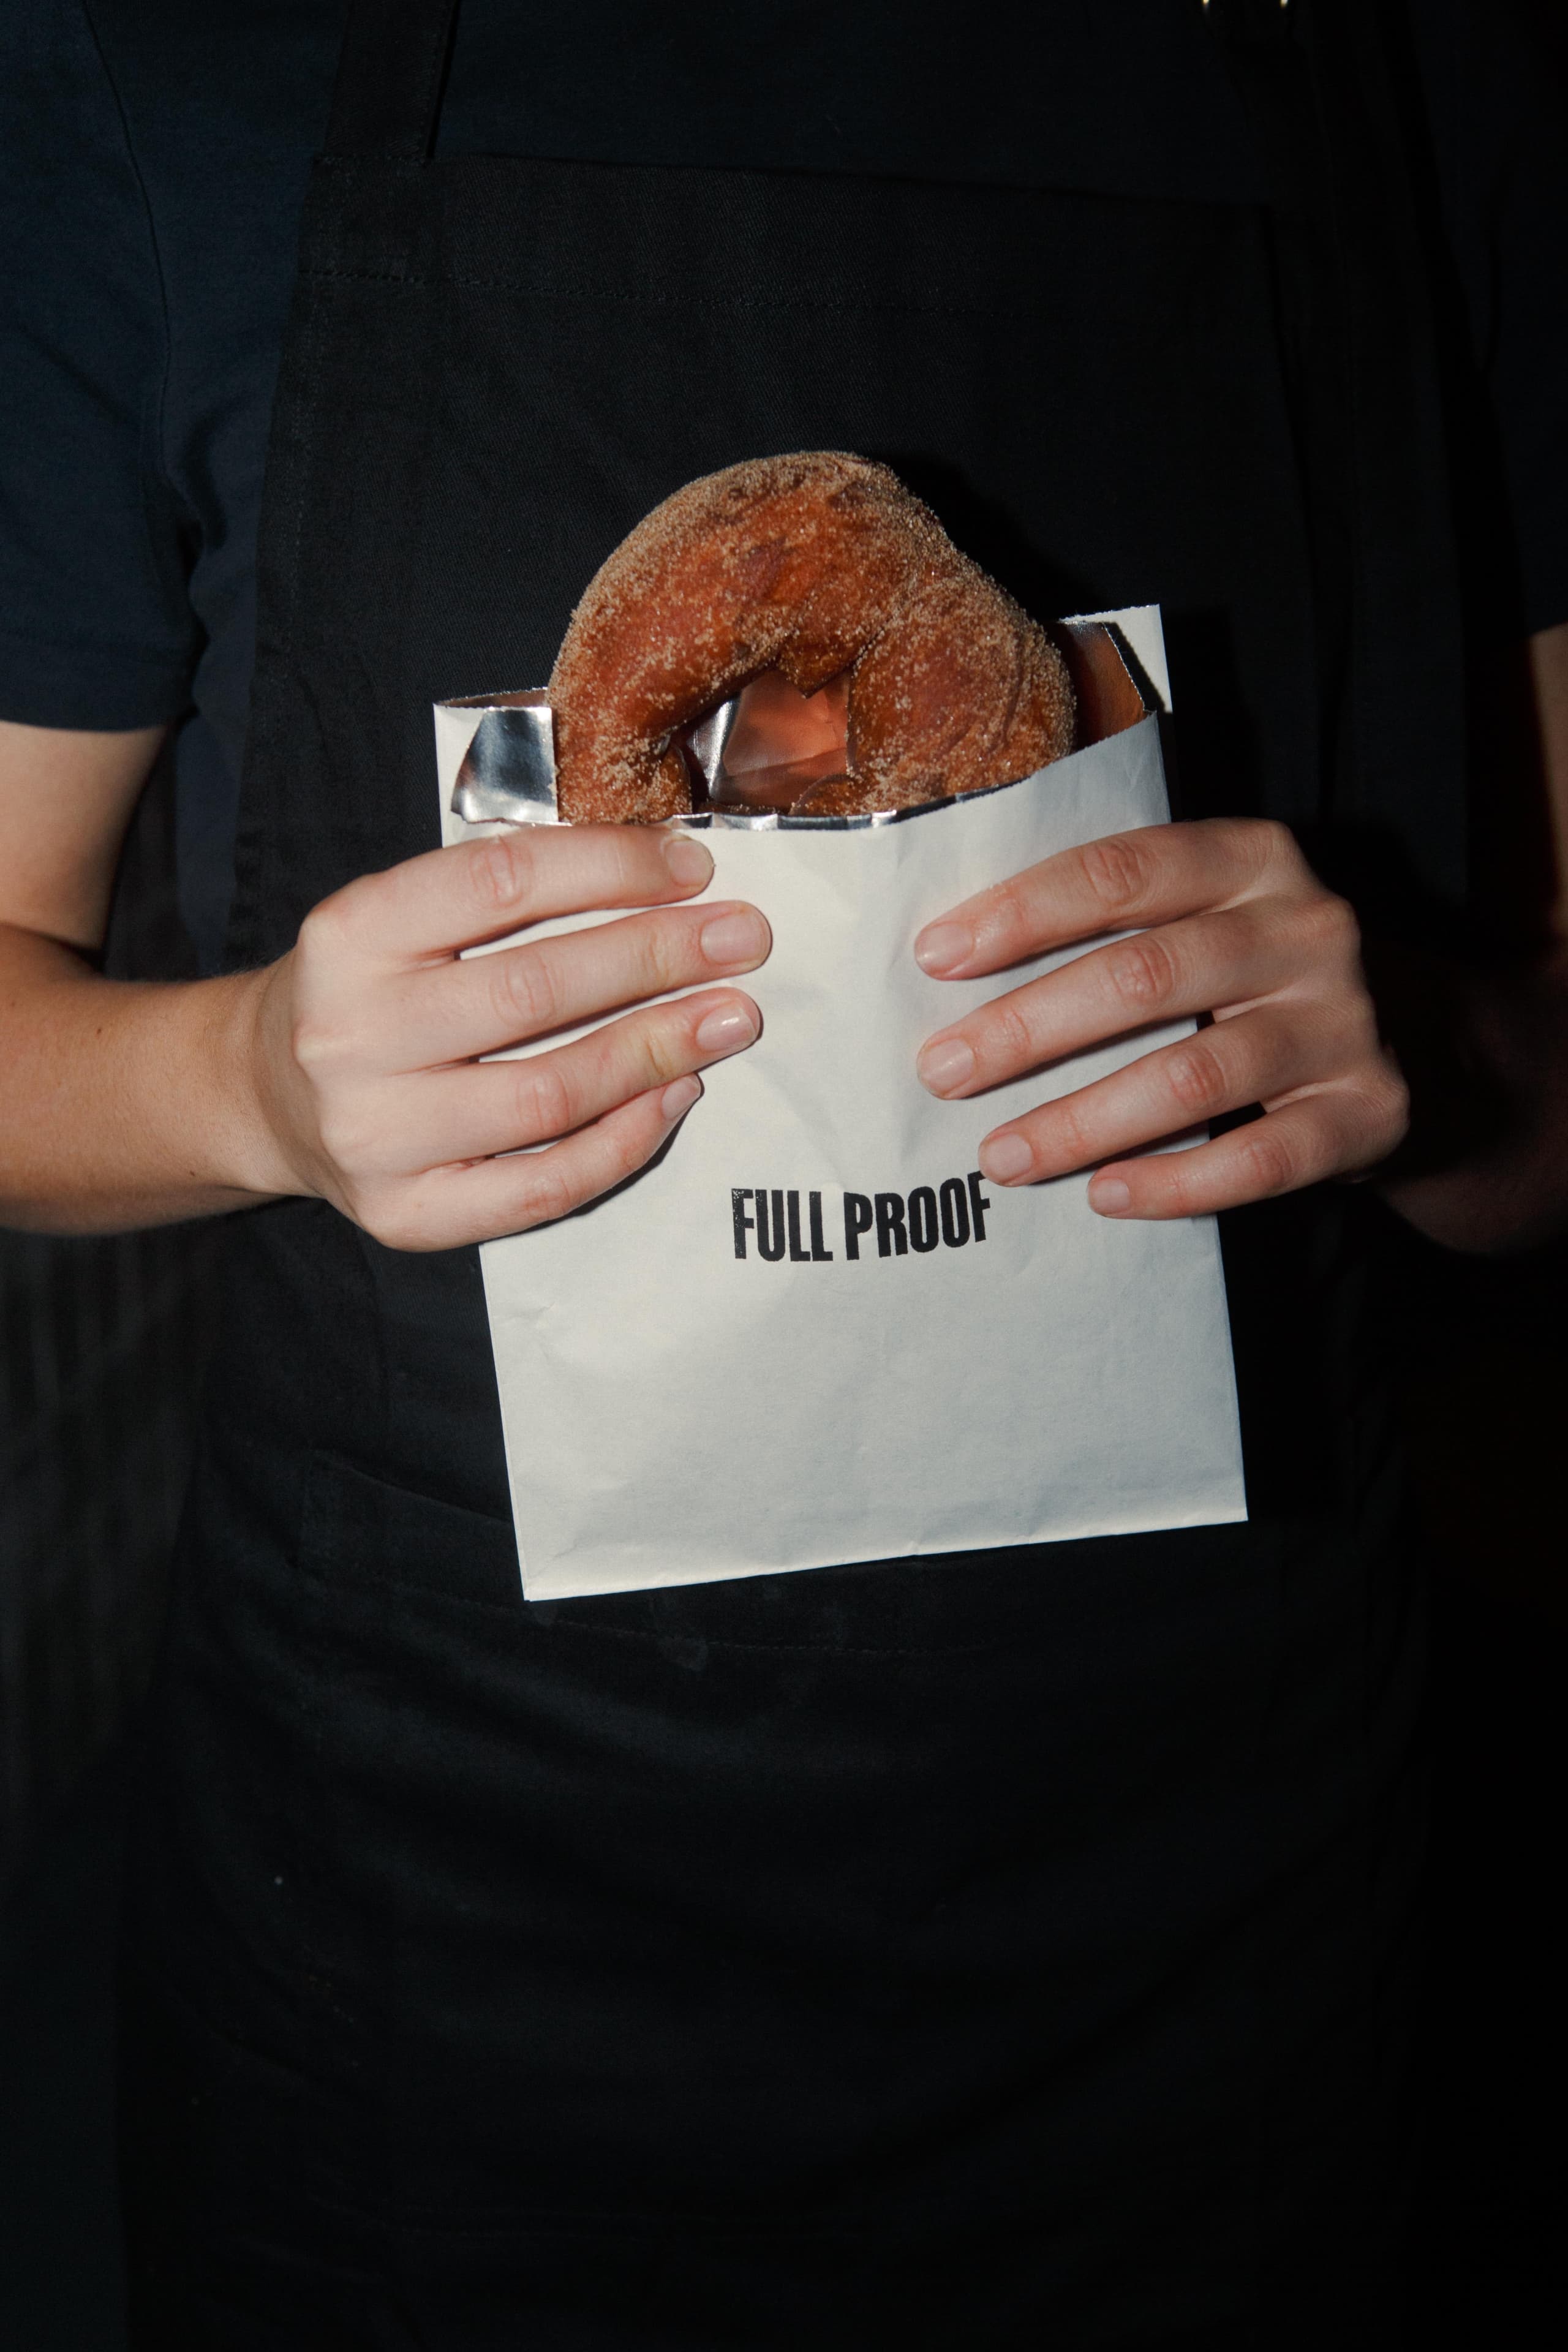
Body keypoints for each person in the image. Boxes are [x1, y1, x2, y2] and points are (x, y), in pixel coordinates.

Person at [1, 1, 1565, 2342]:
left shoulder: (1431, 79)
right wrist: (246, 1081)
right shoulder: (157, 65)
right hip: (438, 1939)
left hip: (1232, 1925)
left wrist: (1437, 1051)